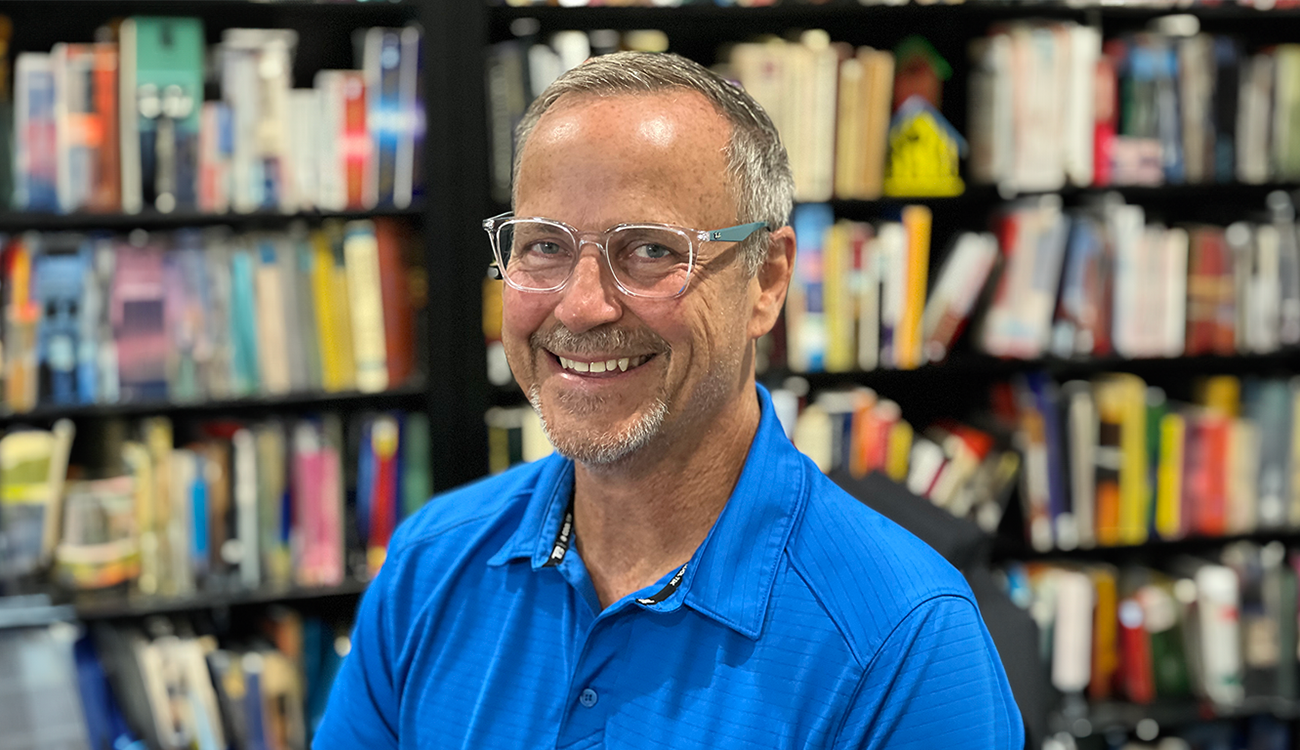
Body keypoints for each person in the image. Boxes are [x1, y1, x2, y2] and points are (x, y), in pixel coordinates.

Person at [317, 51, 1024, 749]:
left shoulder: (907, 644)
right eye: (542, 247)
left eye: (650, 250)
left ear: (768, 280)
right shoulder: (431, 563)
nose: (582, 306)